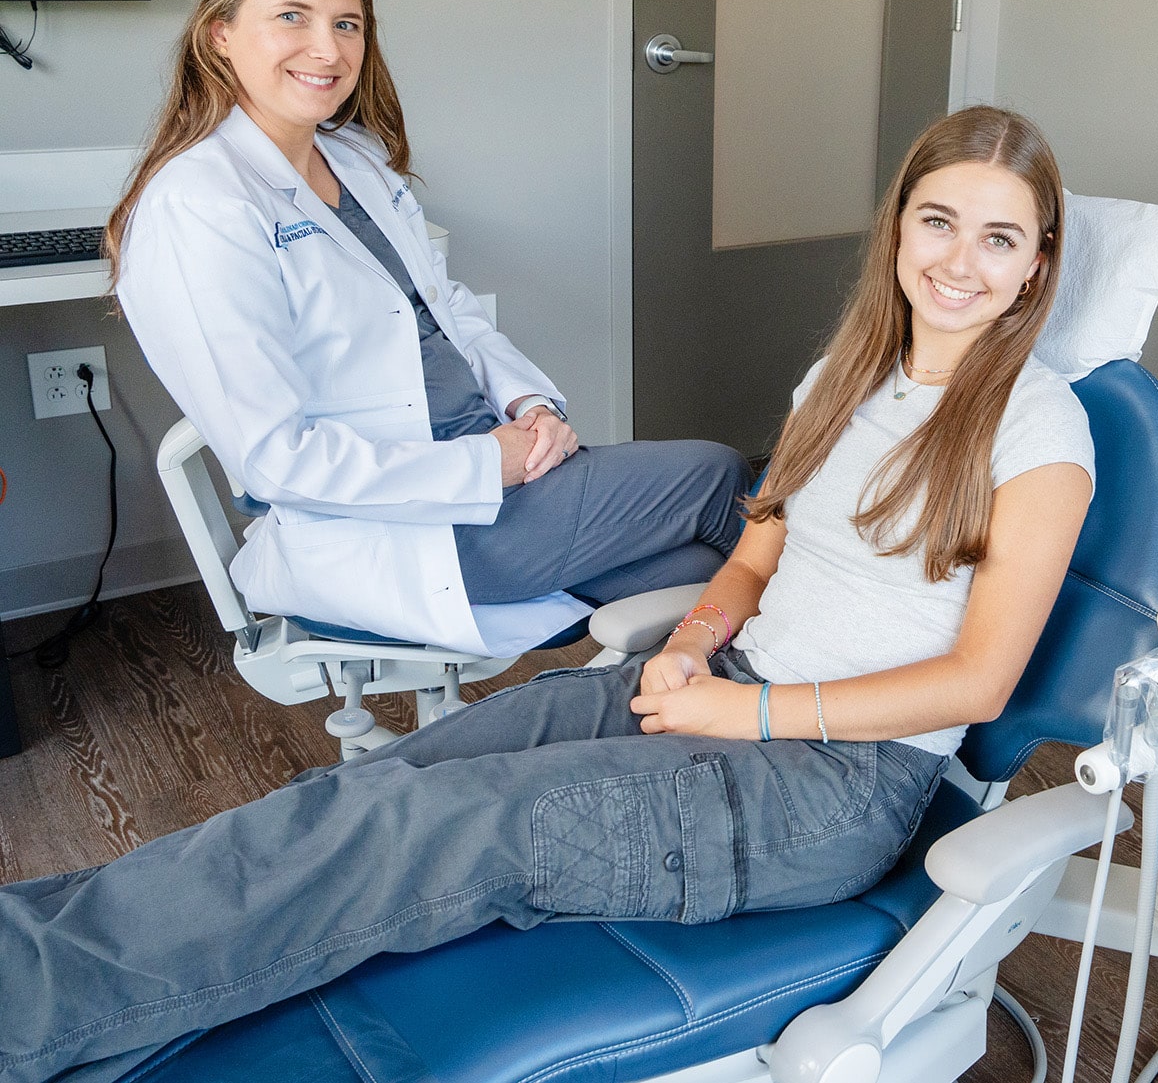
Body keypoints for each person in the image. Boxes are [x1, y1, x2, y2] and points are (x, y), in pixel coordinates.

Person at [1, 102, 1095, 1083]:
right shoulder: (842, 378)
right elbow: (757, 553)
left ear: (1037, 264)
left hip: (834, 786)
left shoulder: (1039, 426)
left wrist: (746, 710)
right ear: (898, 229)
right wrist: (695, 642)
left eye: (999, 237)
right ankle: (33, 954)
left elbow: (980, 679)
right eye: (938, 221)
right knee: (378, 786)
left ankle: (26, 1009)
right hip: (722, 686)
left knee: (435, 828)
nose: (960, 261)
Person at [108, 0, 747, 655]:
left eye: (346, 24)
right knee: (716, 475)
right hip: (406, 521)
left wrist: (528, 404)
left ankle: (700, 729)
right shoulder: (200, 202)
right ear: (220, 35)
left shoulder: (354, 160)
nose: (327, 49)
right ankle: (840, 691)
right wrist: (487, 464)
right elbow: (273, 459)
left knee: (700, 571)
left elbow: (450, 315)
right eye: (292, 17)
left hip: (492, 466)